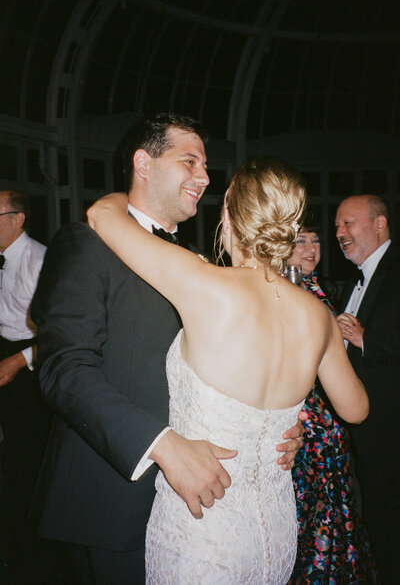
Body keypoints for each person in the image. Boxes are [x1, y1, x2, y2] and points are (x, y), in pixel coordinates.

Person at [31, 114, 302, 585]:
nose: (204, 177)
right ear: (143, 163)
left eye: (206, 166)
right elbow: (64, 369)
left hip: (197, 520)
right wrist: (163, 445)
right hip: (113, 502)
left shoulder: (200, 264)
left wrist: (272, 431)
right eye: (189, 161)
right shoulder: (86, 244)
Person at [88, 156, 369, 584]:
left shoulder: (203, 284)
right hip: (275, 535)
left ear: (228, 215)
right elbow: (355, 409)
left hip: (203, 529)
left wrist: (128, 191)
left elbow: (101, 214)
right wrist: (287, 422)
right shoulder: (319, 316)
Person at [287, 217, 379, 583]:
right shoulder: (291, 291)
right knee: (314, 511)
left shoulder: (314, 288)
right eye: (300, 241)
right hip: (308, 422)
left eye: (315, 241)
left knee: (331, 508)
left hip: (329, 419)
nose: (310, 249)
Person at [335, 194, 400, 585]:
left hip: (391, 426)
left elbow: (368, 343)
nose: (340, 233)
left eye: (349, 224)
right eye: (338, 226)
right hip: (364, 430)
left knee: (387, 519)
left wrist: (367, 340)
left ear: (379, 224)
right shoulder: (351, 282)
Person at [0, 190, 50, 575]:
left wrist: (18, 361)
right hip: (3, 346)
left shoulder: (41, 260)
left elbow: (58, 334)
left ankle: (27, 545)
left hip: (29, 359)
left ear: (18, 219)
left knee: (25, 453)